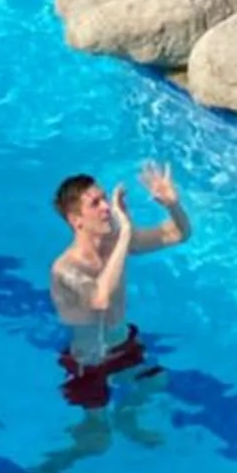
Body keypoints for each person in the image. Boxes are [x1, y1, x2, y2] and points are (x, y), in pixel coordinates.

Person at [48, 164, 189, 409]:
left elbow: (180, 234)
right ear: (76, 220)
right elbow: (100, 299)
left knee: (154, 383)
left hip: (124, 344)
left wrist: (172, 205)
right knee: (97, 437)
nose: (107, 207)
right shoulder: (65, 269)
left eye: (105, 199)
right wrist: (125, 233)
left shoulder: (115, 242)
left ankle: (127, 418)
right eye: (96, 203)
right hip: (89, 362)